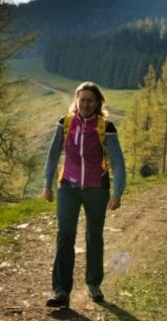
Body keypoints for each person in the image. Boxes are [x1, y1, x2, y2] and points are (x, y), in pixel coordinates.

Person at [43, 81, 126, 308]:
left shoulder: (106, 127)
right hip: (68, 187)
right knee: (65, 235)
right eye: (82, 100)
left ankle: (93, 284)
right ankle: (61, 291)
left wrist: (117, 192)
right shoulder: (65, 123)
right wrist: (47, 185)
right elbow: (52, 156)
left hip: (97, 189)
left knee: (94, 236)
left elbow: (118, 163)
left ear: (98, 103)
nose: (86, 104)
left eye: (90, 101)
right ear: (76, 101)